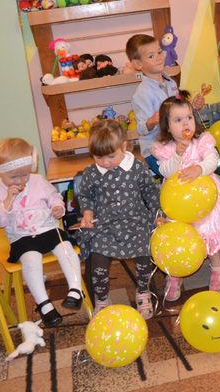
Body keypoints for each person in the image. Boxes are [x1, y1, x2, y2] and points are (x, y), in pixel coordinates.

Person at [0, 138, 84, 327]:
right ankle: (44, 304)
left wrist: (57, 207)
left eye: (25, 175)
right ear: (0, 172)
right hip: (22, 238)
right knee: (31, 260)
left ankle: (75, 290)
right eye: (13, 177)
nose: (20, 181)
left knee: (65, 248)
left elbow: (54, 196)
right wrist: (7, 201)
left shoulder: (38, 181)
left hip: (48, 229)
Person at [151, 92, 220, 298]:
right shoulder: (164, 148)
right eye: (178, 120)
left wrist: (199, 168)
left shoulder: (201, 140)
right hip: (177, 201)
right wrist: (177, 155)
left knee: (208, 229)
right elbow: (165, 171)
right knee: (176, 232)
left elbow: (212, 161)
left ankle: (217, 267)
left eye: (189, 117)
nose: (185, 123)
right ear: (167, 126)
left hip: (206, 197)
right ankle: (175, 272)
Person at [76, 120, 161, 318]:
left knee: (144, 257)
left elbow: (150, 192)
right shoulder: (91, 173)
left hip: (136, 223)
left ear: (123, 147)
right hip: (105, 226)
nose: (105, 162)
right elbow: (85, 196)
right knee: (98, 261)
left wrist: (157, 215)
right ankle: (102, 300)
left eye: (111, 156)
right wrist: (87, 212)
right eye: (99, 157)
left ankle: (143, 292)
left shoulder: (137, 168)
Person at [129, 33, 204, 176]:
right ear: (138, 64)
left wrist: (193, 107)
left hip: (175, 143)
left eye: (159, 52)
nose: (159, 58)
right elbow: (141, 128)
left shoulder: (171, 83)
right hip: (155, 150)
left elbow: (178, 111)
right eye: (151, 56)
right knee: (178, 175)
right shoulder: (142, 93)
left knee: (197, 165)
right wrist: (151, 121)